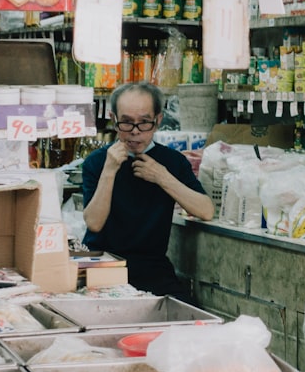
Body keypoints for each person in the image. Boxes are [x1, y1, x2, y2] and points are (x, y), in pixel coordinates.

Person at [81, 82, 214, 300]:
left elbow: (206, 210)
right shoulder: (96, 162)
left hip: (152, 266)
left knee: (187, 318)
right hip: (102, 263)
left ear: (158, 120)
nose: (135, 132)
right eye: (126, 123)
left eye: (144, 123)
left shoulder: (173, 162)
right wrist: (109, 170)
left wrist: (162, 177)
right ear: (114, 119)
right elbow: (94, 223)